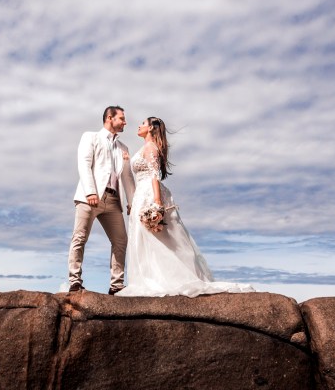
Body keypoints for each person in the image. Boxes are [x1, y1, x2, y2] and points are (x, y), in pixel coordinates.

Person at [118, 117, 254, 297]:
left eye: (143, 123)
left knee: (157, 238)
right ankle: (151, 278)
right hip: (141, 195)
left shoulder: (151, 148)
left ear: (151, 128)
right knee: (145, 239)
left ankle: (163, 279)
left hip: (150, 194)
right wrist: (127, 161)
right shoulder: (144, 147)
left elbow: (154, 175)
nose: (139, 125)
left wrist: (157, 202)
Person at [67, 106, 136, 295]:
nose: (125, 122)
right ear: (109, 118)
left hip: (113, 200)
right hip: (91, 197)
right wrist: (90, 192)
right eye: (122, 118)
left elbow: (127, 178)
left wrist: (132, 202)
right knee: (80, 237)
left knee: (121, 240)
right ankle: (75, 281)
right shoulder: (90, 137)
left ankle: (116, 285)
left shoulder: (124, 148)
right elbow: (84, 165)